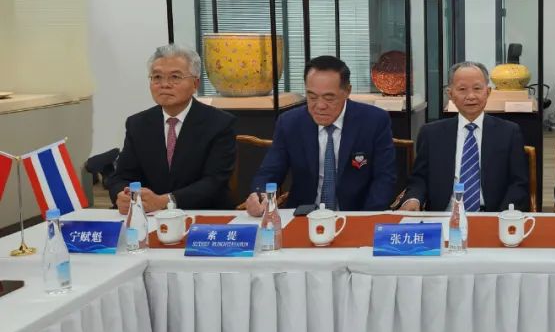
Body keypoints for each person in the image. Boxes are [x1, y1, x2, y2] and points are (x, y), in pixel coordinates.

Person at [246, 55, 396, 214]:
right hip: (304, 215)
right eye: (312, 97)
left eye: (329, 98)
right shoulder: (290, 123)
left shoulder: (373, 121)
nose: (320, 106)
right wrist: (259, 195)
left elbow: (384, 178)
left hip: (356, 214)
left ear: (347, 91)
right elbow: (270, 172)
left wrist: (366, 218)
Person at [107, 44, 236, 212]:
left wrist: (165, 201)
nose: (164, 84)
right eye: (157, 77)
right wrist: (122, 195)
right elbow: (121, 177)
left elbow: (214, 182)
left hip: (202, 214)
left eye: (175, 77)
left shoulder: (220, 123)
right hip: (150, 216)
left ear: (195, 83)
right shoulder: (137, 124)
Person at [400, 61, 530, 212]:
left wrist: (503, 215)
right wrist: (413, 199)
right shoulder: (431, 133)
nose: (471, 96)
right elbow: (419, 179)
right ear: (450, 94)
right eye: (462, 89)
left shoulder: (509, 132)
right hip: (444, 214)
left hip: (492, 215)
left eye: (477, 88)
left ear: (488, 92)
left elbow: (518, 183)